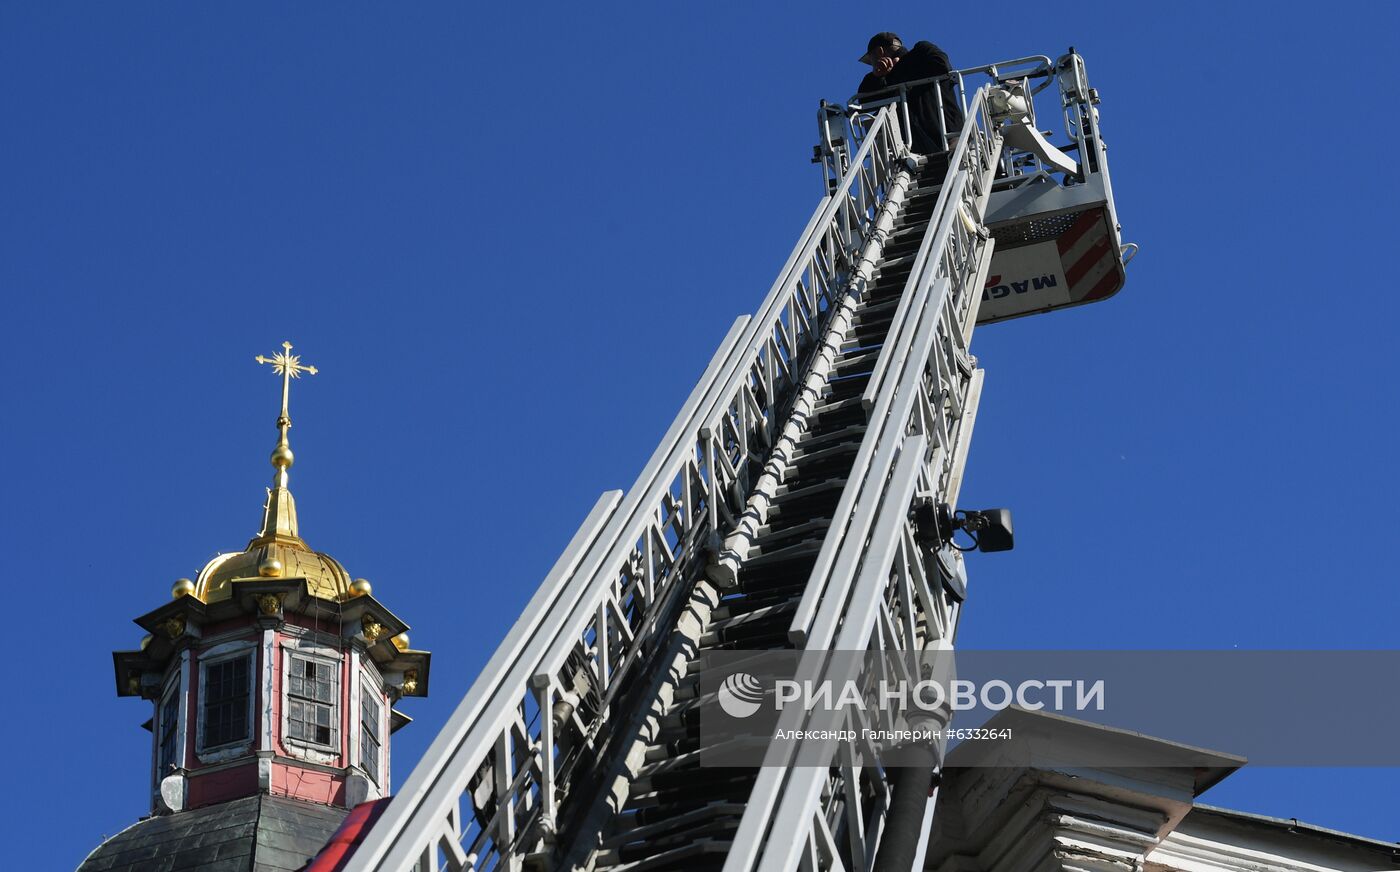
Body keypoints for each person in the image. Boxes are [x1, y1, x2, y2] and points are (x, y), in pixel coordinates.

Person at [856, 32, 964, 156]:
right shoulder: (883, 79)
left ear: (880, 52)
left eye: (871, 60)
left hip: (950, 135)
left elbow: (942, 65)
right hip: (918, 148)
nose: (872, 66)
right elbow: (863, 101)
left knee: (958, 159)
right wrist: (877, 77)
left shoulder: (921, 51)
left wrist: (897, 70)